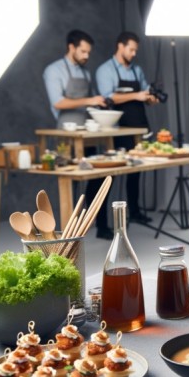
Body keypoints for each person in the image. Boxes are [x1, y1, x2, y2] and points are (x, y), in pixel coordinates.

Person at [43, 30, 112, 239]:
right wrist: (90, 100)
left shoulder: (85, 72)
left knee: (97, 176)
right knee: (70, 181)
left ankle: (100, 224)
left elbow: (89, 102)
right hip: (66, 134)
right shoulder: (53, 71)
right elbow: (58, 102)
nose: (86, 56)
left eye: (88, 52)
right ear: (71, 47)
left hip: (87, 132)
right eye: (83, 51)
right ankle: (70, 233)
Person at [95, 31, 159, 223]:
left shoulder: (136, 70)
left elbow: (145, 92)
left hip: (139, 126)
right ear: (120, 46)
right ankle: (102, 222)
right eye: (131, 49)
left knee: (136, 171)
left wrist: (150, 98)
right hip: (117, 129)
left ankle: (136, 213)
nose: (133, 54)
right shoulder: (105, 70)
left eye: (135, 50)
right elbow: (108, 97)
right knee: (110, 174)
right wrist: (137, 95)